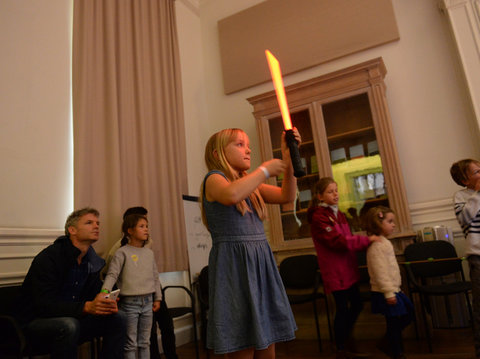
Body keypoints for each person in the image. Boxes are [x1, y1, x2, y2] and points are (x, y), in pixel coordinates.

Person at [200, 128, 300, 358]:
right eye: (239, 144)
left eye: (248, 145)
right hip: (235, 269)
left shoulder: (249, 183)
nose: (248, 149)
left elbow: (287, 196)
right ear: (217, 154)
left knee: (267, 343)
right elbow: (231, 195)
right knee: (242, 343)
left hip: (259, 265)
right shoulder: (214, 178)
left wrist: (289, 160)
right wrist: (264, 170)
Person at [15, 207, 126, 358]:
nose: (96, 226)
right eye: (89, 222)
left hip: (74, 318)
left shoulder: (91, 261)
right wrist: (86, 307)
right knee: (69, 325)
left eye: (97, 223)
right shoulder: (50, 258)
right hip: (36, 321)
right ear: (72, 230)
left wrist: (105, 303)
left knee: (119, 317)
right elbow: (44, 305)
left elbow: (96, 293)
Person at [307, 177, 379, 359]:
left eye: (336, 190)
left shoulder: (340, 214)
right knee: (343, 308)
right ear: (320, 196)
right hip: (335, 271)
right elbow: (337, 242)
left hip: (348, 268)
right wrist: (366, 241)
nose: (335, 194)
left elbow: (348, 239)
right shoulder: (319, 217)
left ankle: (345, 340)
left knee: (356, 305)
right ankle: (341, 346)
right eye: (330, 191)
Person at [105, 206, 178, 359]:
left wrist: (158, 297)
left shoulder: (148, 250)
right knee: (132, 342)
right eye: (142, 226)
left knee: (149, 339)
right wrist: (104, 293)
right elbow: (112, 275)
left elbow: (155, 275)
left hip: (149, 297)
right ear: (129, 229)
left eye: (147, 226)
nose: (146, 229)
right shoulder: (120, 251)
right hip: (130, 300)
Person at [364, 206, 414, 359]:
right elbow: (381, 273)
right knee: (393, 322)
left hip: (394, 289)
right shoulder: (376, 246)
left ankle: (388, 342)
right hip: (385, 291)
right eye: (390, 221)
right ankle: (396, 351)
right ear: (378, 224)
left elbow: (390, 269)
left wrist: (397, 288)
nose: (393, 225)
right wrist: (389, 292)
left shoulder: (385, 242)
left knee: (409, 313)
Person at [450, 158, 480, 358]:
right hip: (478, 257)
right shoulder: (462, 197)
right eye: (477, 172)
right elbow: (465, 218)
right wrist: (477, 193)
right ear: (464, 179)